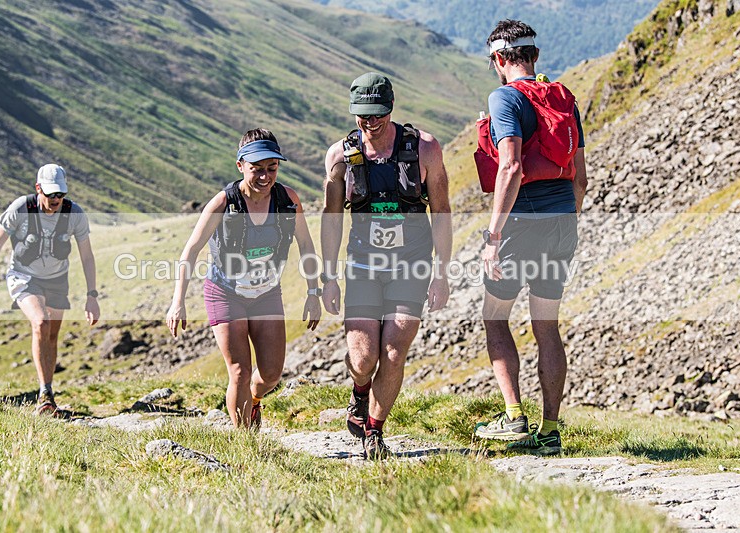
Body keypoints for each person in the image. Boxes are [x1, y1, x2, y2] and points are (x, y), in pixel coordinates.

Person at [321, 73, 452, 459]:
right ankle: (360, 391)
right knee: (363, 359)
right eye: (362, 114)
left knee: (394, 352)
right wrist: (328, 278)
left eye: (377, 113)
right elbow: (332, 218)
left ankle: (375, 430)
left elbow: (442, 212)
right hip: (363, 265)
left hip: (411, 265)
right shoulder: (339, 156)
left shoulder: (424, 148)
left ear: (391, 108)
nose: (369, 121)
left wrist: (442, 273)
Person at [473, 20, 588, 455]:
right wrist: (565, 221)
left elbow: (510, 167)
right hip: (562, 219)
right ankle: (551, 430)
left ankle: (514, 417)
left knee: (495, 316)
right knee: (547, 326)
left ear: (499, 60)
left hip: (523, 220)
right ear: (534, 56)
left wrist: (493, 235)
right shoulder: (564, 98)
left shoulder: (504, 97)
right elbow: (581, 178)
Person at [166, 129, 321, 430]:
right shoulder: (223, 203)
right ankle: (244, 441)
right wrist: (178, 302)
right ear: (240, 166)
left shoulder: (288, 200)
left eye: (272, 168)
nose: (265, 176)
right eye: (257, 169)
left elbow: (306, 246)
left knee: (272, 374)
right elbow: (191, 251)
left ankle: (254, 399)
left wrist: (313, 292)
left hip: (266, 293)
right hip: (225, 292)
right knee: (239, 370)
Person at [0, 164, 101, 415]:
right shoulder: (21, 208)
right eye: (51, 193)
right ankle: (44, 392)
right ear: (38, 188)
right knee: (41, 322)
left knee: (52, 336)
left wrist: (92, 295)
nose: (56, 200)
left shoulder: (74, 213)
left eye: (61, 194)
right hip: (24, 276)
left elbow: (87, 256)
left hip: (57, 278)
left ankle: (47, 393)